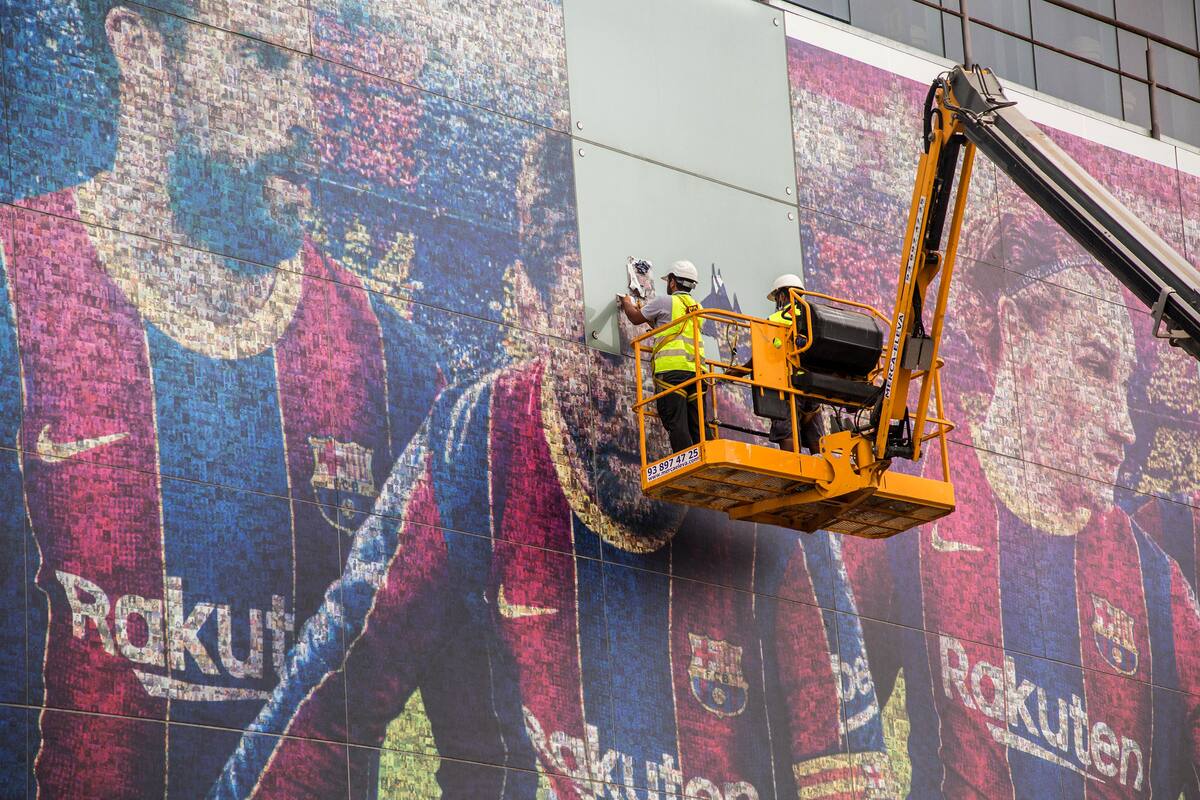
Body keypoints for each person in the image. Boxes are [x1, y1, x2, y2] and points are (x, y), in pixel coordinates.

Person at [210, 134, 901, 800]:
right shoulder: (476, 440)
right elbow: (328, 700)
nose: (638, 400)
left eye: (667, 353)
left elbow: (845, 763)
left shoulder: (761, 470)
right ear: (529, 304)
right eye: (604, 349)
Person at [0, 1, 439, 795]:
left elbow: (482, 722)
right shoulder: (17, 280)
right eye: (262, 61)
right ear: (140, 52)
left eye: (306, 71)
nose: (305, 117)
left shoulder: (388, 362)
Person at [834, 222, 1200, 797]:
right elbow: (836, 725)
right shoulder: (917, 505)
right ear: (1016, 333)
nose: (1124, 426)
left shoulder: (1159, 584)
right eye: (1095, 367)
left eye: (1124, 386)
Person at [617, 260, 707, 453]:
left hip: (672, 372)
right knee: (698, 423)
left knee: (676, 421)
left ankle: (685, 463)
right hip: (697, 372)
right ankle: (705, 458)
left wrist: (626, 302)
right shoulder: (698, 308)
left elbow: (635, 318)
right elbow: (674, 327)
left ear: (673, 281)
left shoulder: (665, 302)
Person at [766, 273, 825, 454]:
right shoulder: (813, 318)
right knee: (816, 436)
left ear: (782, 296)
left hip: (787, 383)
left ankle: (791, 464)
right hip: (811, 384)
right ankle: (819, 465)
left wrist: (739, 371)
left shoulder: (775, 319)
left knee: (786, 431)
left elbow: (764, 353)